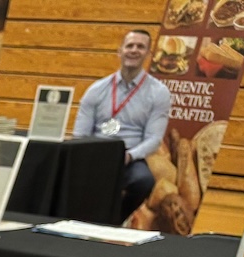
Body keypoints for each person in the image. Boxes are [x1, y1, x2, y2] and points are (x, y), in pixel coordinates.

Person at [73, 29, 171, 221]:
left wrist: (129, 156)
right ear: (120, 51)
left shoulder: (159, 93)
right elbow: (80, 134)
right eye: (129, 46)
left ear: (148, 54)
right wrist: (88, 155)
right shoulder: (96, 90)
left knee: (143, 181)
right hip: (95, 154)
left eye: (140, 47)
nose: (134, 50)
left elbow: (154, 138)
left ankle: (114, 220)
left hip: (130, 157)